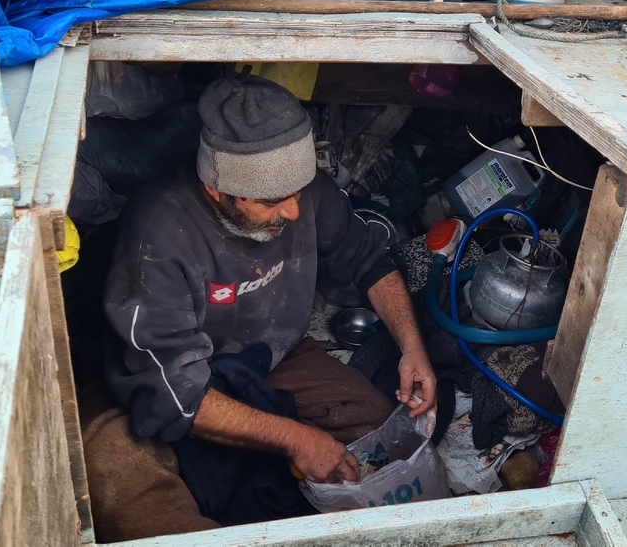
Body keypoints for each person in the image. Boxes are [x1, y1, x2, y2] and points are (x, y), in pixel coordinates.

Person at [80, 73, 436, 541]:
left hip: (271, 355)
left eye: (297, 193)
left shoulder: (305, 194)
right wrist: (298, 438)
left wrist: (413, 347)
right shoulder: (159, 234)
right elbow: (174, 395)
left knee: (382, 431)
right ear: (216, 189)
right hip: (153, 379)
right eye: (271, 201)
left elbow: (368, 259)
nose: (292, 212)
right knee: (127, 490)